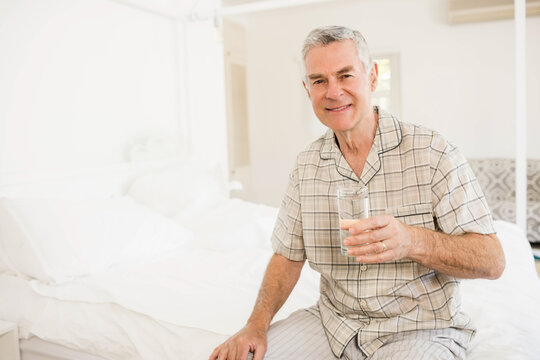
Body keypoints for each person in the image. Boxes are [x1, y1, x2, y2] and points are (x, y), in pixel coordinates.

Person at [209, 25, 505, 360]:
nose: (333, 92)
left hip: (418, 329)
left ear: (373, 77)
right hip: (332, 323)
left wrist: (411, 241)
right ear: (307, 89)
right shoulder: (306, 165)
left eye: (345, 75)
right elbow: (287, 256)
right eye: (319, 80)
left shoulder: (433, 151)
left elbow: (492, 260)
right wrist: (256, 325)